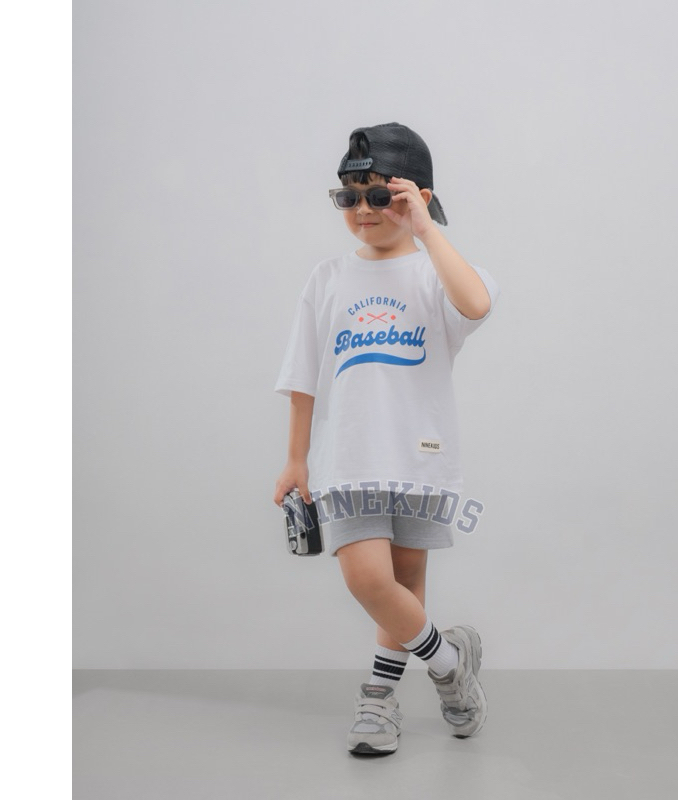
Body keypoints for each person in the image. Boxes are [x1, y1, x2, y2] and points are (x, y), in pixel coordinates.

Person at [272, 122, 500, 755]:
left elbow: (477, 304)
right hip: (347, 461)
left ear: (418, 197)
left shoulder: (435, 274)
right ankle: (449, 663)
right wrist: (295, 459)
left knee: (404, 583)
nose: (363, 210)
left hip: (420, 458)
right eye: (349, 197)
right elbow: (302, 377)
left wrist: (426, 230)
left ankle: (378, 701)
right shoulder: (327, 279)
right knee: (368, 581)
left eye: (380, 196)